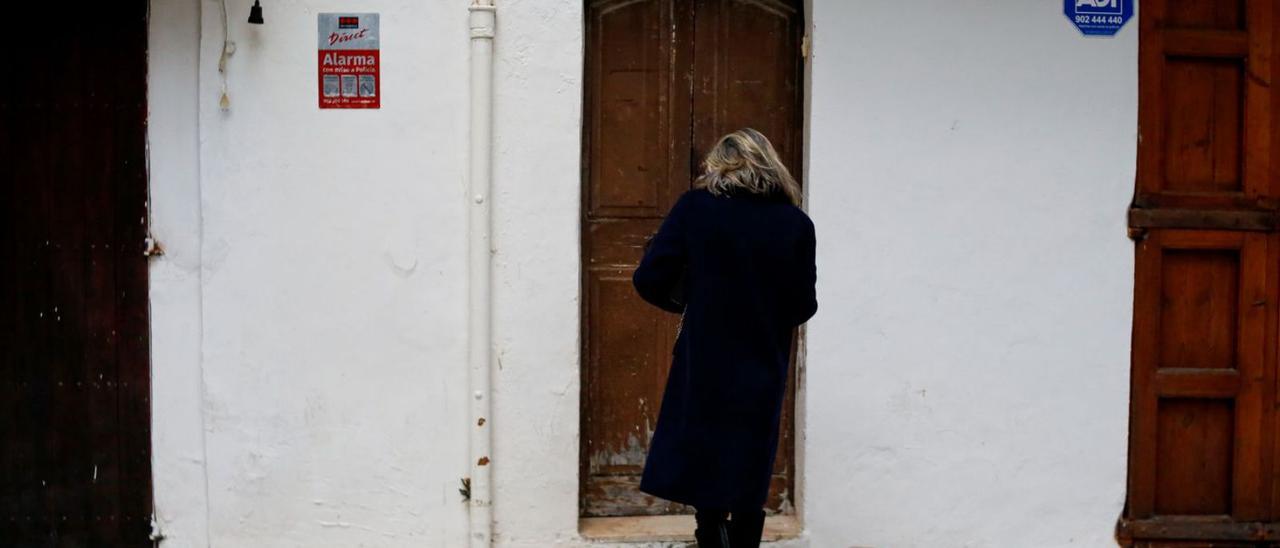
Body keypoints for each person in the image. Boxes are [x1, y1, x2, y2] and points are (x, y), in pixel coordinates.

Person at [632, 128, 818, 547]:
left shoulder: (696, 209)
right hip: (762, 358)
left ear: (720, 166)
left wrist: (695, 303)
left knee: (704, 453)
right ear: (771, 165)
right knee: (750, 457)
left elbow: (649, 278)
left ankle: (710, 533)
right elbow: (803, 305)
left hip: (705, 355)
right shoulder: (795, 224)